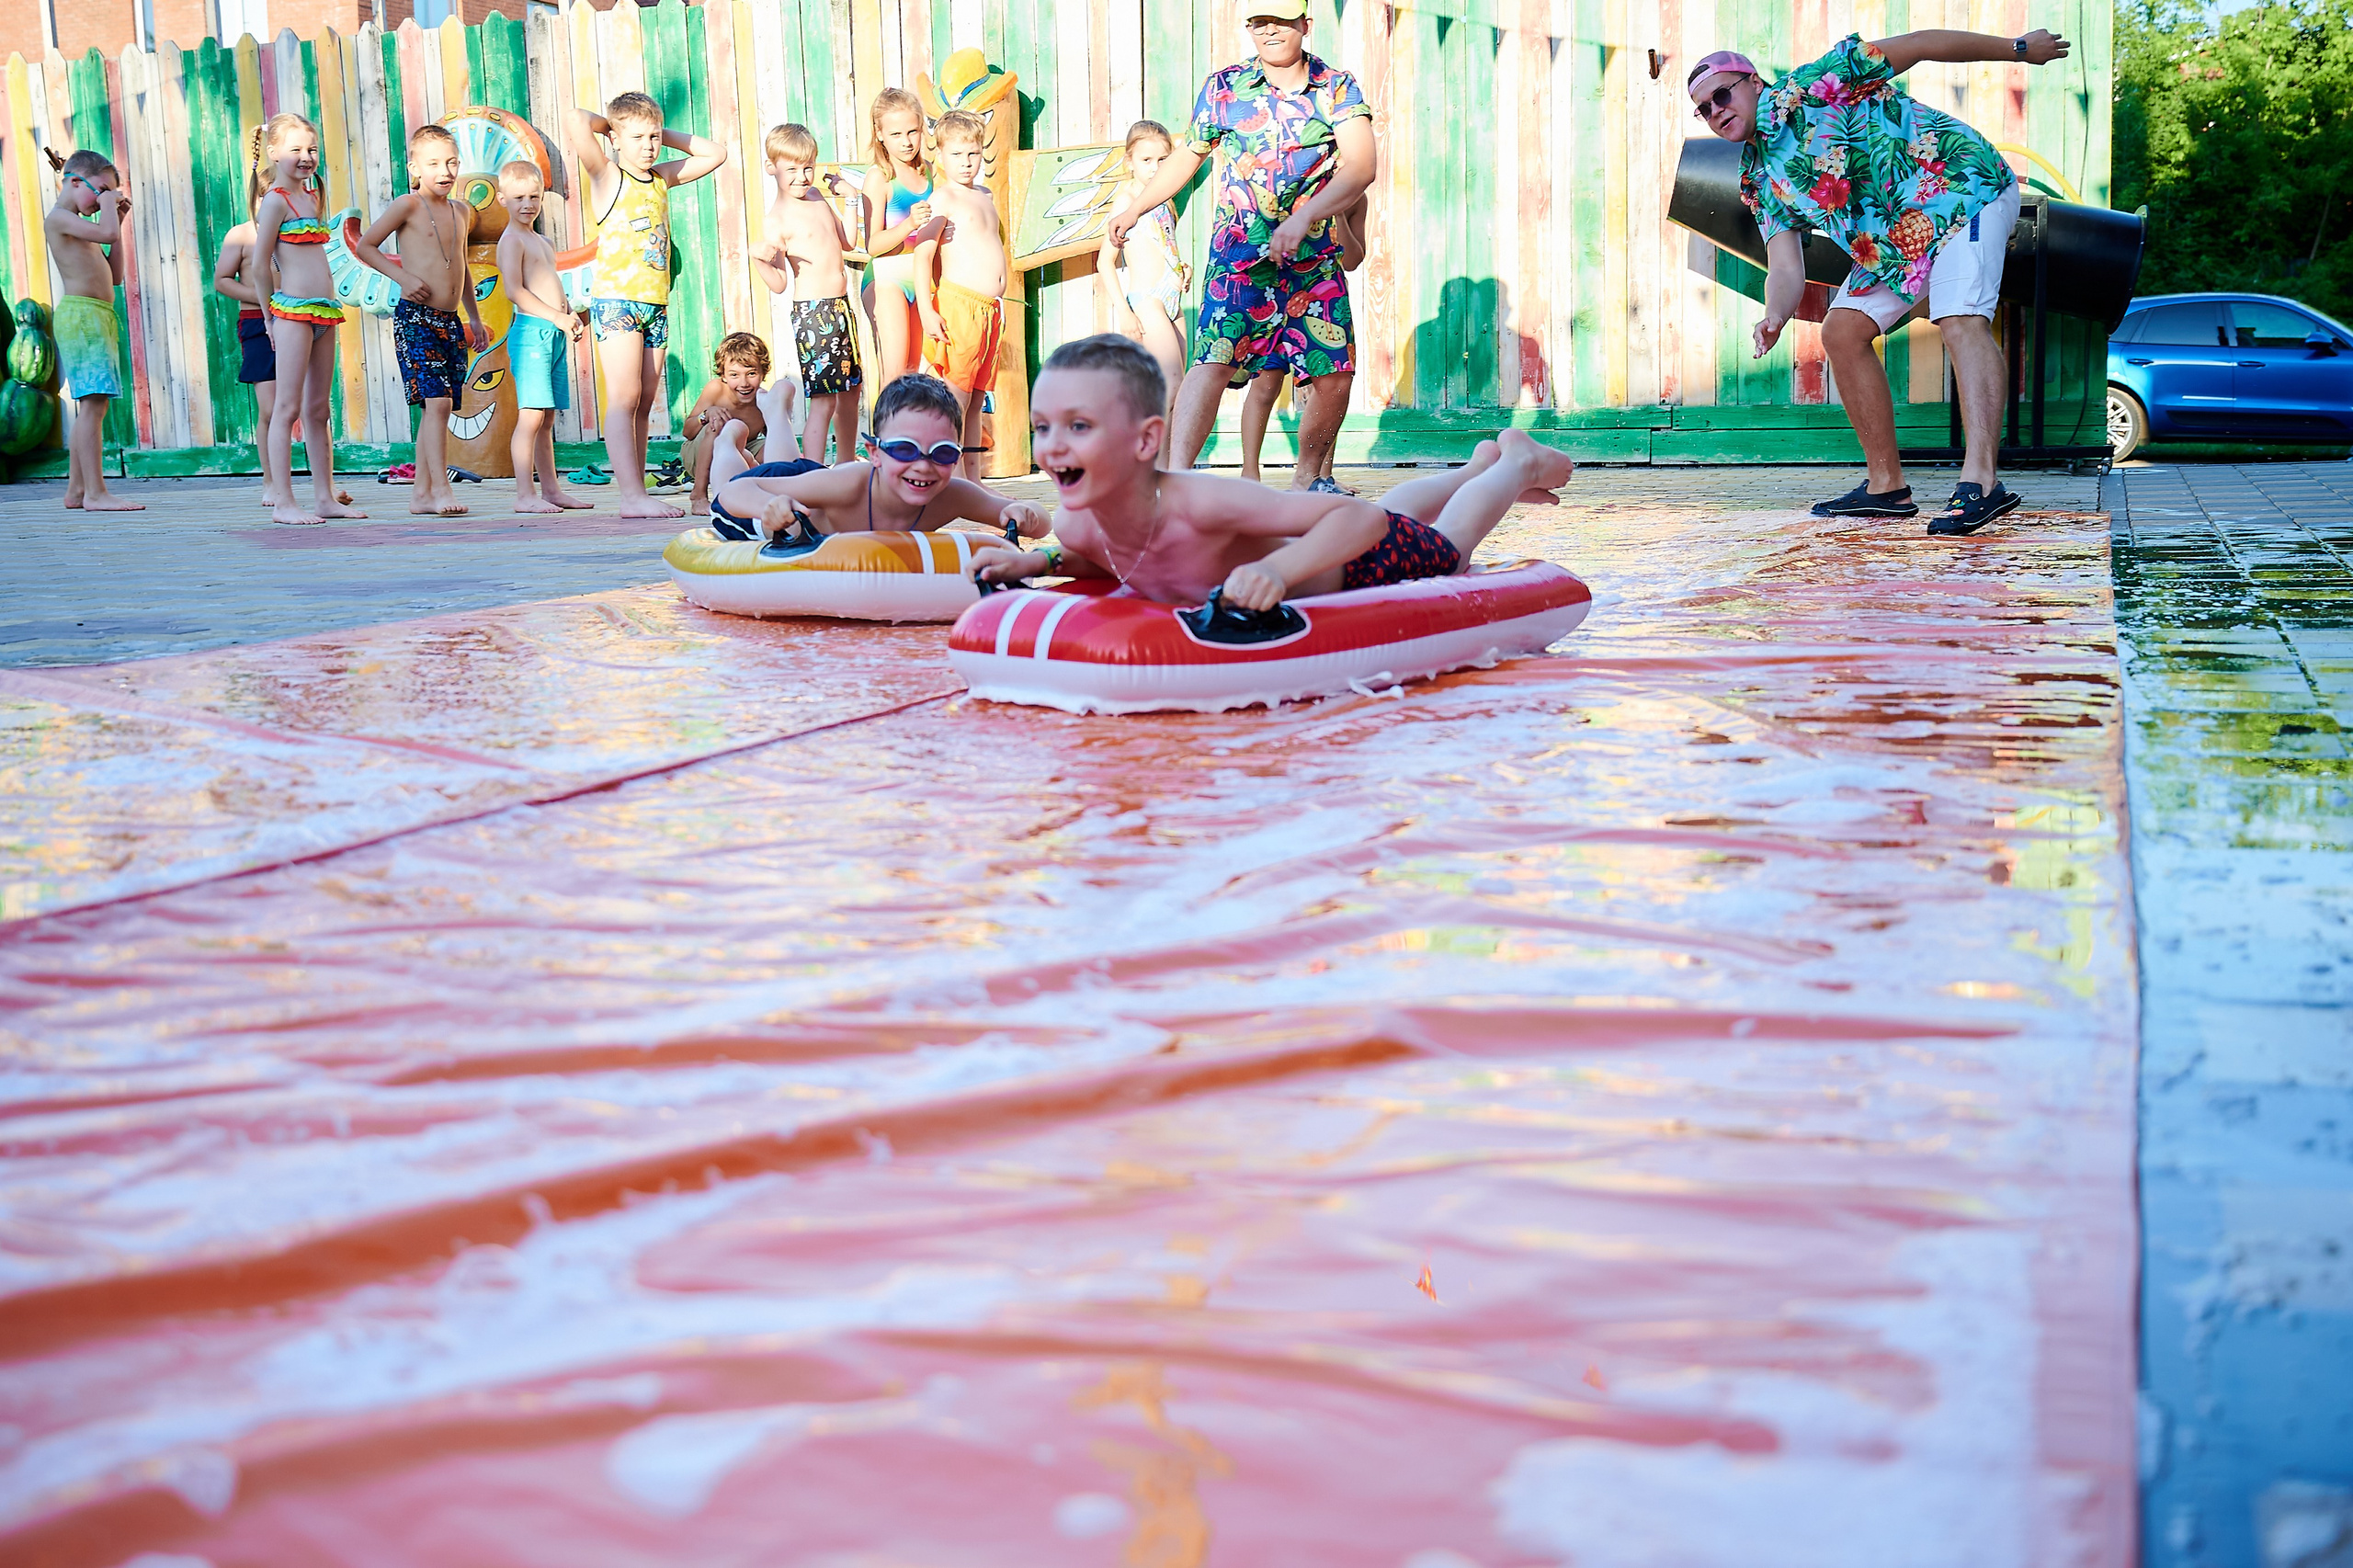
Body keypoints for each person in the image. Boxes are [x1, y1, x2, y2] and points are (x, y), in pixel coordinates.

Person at [1688, 28, 2070, 535]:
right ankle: (1886, 487)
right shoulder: (1758, 177)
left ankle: (1981, 481)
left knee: (1959, 319)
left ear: (1753, 83)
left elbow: (1923, 43)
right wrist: (1774, 316)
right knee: (1840, 331)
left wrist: (2017, 49)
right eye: (1704, 109)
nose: (1716, 111)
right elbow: (1784, 265)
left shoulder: (1820, 81)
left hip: (1960, 189)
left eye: (1722, 94)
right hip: (1898, 241)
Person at [972, 335, 1572, 609]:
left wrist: (1277, 570)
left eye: (1079, 427)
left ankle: (1512, 465)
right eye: (1043, 426)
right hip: (1321, 541)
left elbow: (1357, 518)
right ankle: (1476, 464)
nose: (1052, 446)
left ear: (1145, 441)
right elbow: (1115, 555)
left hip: (1347, 562)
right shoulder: (1077, 527)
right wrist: (1038, 562)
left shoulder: (1197, 503)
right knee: (1401, 512)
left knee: (1447, 547)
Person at [1107, 0, 1374, 490]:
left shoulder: (1337, 87)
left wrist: (1307, 217)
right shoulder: (1224, 88)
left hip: (1312, 260)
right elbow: (1187, 156)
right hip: (1240, 257)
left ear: (1305, 26)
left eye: (1282, 22)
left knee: (1335, 374)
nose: (1270, 31)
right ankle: (1176, 485)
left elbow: (1361, 165)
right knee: (1212, 361)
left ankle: (1307, 482)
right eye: (1259, 23)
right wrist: (1135, 207)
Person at [568, 91, 726, 519]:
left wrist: (658, 126)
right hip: (618, 300)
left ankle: (636, 488)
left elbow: (715, 153)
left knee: (645, 398)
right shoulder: (607, 176)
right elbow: (578, 118)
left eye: (654, 137)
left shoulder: (660, 178)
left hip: (654, 303)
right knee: (625, 394)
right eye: (637, 137)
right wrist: (615, 127)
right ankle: (631, 496)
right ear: (617, 140)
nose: (649, 146)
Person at [709, 371, 1046, 546]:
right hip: (790, 506)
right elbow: (734, 494)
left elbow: (1043, 524)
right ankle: (729, 440)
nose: (923, 466)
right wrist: (765, 506)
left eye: (942, 453)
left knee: (790, 472)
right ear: (875, 453)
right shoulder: (850, 484)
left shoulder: (951, 495)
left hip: (807, 488)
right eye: (903, 449)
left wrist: (1022, 514)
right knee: (734, 479)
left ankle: (775, 412)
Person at [353, 123, 488, 518]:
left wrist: (474, 318)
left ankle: (421, 495)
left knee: (437, 409)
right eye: (433, 164)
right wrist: (402, 277)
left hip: (449, 320)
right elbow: (366, 245)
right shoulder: (407, 205)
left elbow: (460, 266)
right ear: (414, 168)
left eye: (451, 162)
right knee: (438, 402)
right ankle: (442, 489)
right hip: (416, 317)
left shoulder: (462, 211)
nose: (444, 171)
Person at [249, 112, 366, 526]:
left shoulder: (313, 197)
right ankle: (283, 501)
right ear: (275, 153)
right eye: (296, 150)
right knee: (288, 408)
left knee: (320, 410)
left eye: (312, 149)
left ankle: (324, 497)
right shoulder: (276, 200)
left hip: (325, 313)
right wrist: (267, 316)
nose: (306, 157)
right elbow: (260, 264)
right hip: (293, 314)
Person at [1238, 193, 1368, 488]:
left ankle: (1321, 476)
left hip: (1322, 298)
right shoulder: (1295, 184)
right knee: (1265, 383)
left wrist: (1337, 215)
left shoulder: (1355, 199)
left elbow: (1351, 260)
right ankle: (1249, 475)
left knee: (1329, 385)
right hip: (1277, 289)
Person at [752, 121, 861, 463]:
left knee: (851, 393)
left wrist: (851, 199)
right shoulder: (777, 220)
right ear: (772, 168)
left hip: (841, 308)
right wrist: (760, 260)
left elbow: (849, 242)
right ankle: (813, 472)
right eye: (792, 169)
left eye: (808, 167)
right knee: (825, 400)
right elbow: (780, 283)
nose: (802, 177)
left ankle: (844, 465)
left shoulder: (816, 196)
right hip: (814, 314)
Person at [493, 159, 592, 515]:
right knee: (531, 415)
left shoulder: (543, 241)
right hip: (531, 334)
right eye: (518, 197)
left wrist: (571, 317)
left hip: (553, 332)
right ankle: (524, 494)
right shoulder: (511, 241)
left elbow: (551, 286)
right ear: (502, 198)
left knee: (547, 417)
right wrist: (555, 317)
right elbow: (515, 292)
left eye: (534, 196)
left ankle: (551, 489)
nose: (527, 204)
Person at [44, 149, 140, 512]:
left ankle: (77, 491)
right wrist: (110, 214)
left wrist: (119, 219)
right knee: (93, 406)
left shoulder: (84, 227)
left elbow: (115, 275)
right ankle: (97, 493)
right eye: (100, 191)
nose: (104, 201)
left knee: (93, 405)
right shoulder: (59, 219)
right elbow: (106, 234)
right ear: (73, 181)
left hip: (98, 316)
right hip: (82, 318)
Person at [1097, 119, 1189, 463]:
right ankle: (1143, 463)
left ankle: (1166, 472)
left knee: (1177, 394)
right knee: (1172, 383)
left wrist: (1183, 268)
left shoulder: (1166, 200)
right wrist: (1125, 312)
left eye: (1164, 160)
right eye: (1147, 160)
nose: (1155, 168)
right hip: (1147, 300)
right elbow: (1105, 261)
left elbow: (1163, 245)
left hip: (1173, 299)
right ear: (1130, 161)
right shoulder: (1127, 199)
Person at [921, 109, 1005, 480]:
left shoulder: (985, 194)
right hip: (960, 304)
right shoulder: (944, 199)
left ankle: (973, 480)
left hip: (990, 310)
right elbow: (923, 254)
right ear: (940, 156)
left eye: (972, 153)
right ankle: (948, 477)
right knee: (956, 395)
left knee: (977, 400)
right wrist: (927, 308)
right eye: (957, 154)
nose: (966, 162)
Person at [861, 88, 938, 387]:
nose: (906, 142)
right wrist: (908, 225)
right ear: (880, 134)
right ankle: (883, 435)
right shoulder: (880, 177)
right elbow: (873, 245)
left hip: (921, 279)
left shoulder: (930, 172)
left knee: (914, 375)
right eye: (896, 134)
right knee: (894, 375)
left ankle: (910, 435)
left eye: (913, 131)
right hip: (886, 278)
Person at [678, 332, 771, 515]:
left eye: (751, 373)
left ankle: (765, 494)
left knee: (771, 446)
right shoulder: (716, 390)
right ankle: (698, 497)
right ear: (724, 375)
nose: (743, 383)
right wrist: (706, 414)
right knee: (718, 425)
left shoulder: (763, 401)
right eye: (734, 375)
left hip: (740, 455)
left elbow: (777, 440)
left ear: (763, 373)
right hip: (700, 456)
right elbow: (687, 433)